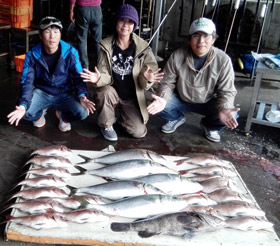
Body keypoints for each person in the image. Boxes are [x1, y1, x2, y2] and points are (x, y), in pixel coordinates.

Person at [147, 17, 240, 143]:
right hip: (181, 99)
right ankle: (176, 118)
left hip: (207, 102)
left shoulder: (223, 60)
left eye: (206, 36)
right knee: (157, 103)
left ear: (213, 39)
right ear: (190, 39)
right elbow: (167, 82)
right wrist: (163, 98)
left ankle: (210, 126)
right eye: (196, 35)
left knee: (230, 113)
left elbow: (227, 90)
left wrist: (225, 107)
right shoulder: (177, 55)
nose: (201, 41)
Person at [80, 4, 163, 141]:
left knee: (138, 132)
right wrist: (98, 78)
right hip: (112, 93)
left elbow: (148, 74)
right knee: (103, 91)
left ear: (135, 25)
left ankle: (120, 117)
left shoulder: (143, 47)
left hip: (131, 98)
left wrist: (147, 78)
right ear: (116, 22)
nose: (125, 25)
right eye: (122, 20)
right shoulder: (106, 46)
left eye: (130, 21)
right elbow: (104, 74)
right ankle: (106, 124)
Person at [7, 16, 95, 132]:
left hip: (64, 92)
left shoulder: (71, 52)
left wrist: (82, 97)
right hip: (42, 92)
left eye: (55, 31)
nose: (52, 36)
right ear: (40, 35)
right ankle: (39, 114)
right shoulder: (32, 55)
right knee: (25, 112)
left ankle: (63, 116)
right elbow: (27, 82)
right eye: (47, 31)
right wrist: (23, 105)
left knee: (83, 112)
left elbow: (78, 78)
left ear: (60, 34)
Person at [69, 0, 102, 69]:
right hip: (97, 8)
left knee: (82, 40)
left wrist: (71, 10)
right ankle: (101, 66)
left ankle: (85, 68)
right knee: (98, 41)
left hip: (82, 8)